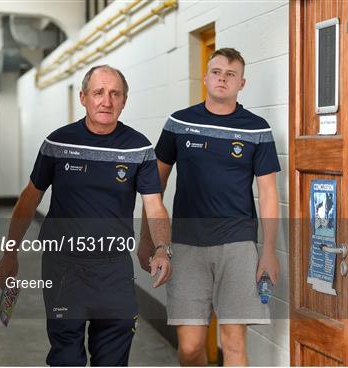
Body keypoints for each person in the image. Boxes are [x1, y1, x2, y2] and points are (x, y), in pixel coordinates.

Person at [0, 65, 172, 366]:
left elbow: (155, 205)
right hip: (64, 267)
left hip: (114, 269)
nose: (107, 101)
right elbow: (29, 199)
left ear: (124, 100)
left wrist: (162, 248)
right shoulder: (58, 143)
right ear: (83, 97)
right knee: (66, 356)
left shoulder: (139, 148)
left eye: (115, 94)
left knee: (113, 356)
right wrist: (10, 253)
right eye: (99, 93)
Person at [139, 48, 281, 366]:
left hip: (238, 245)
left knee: (233, 344)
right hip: (187, 245)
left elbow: (269, 192)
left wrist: (268, 250)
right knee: (190, 348)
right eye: (216, 72)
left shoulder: (256, 128)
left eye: (231, 74)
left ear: (241, 83)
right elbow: (153, 187)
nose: (222, 79)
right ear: (205, 78)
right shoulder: (179, 123)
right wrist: (146, 237)